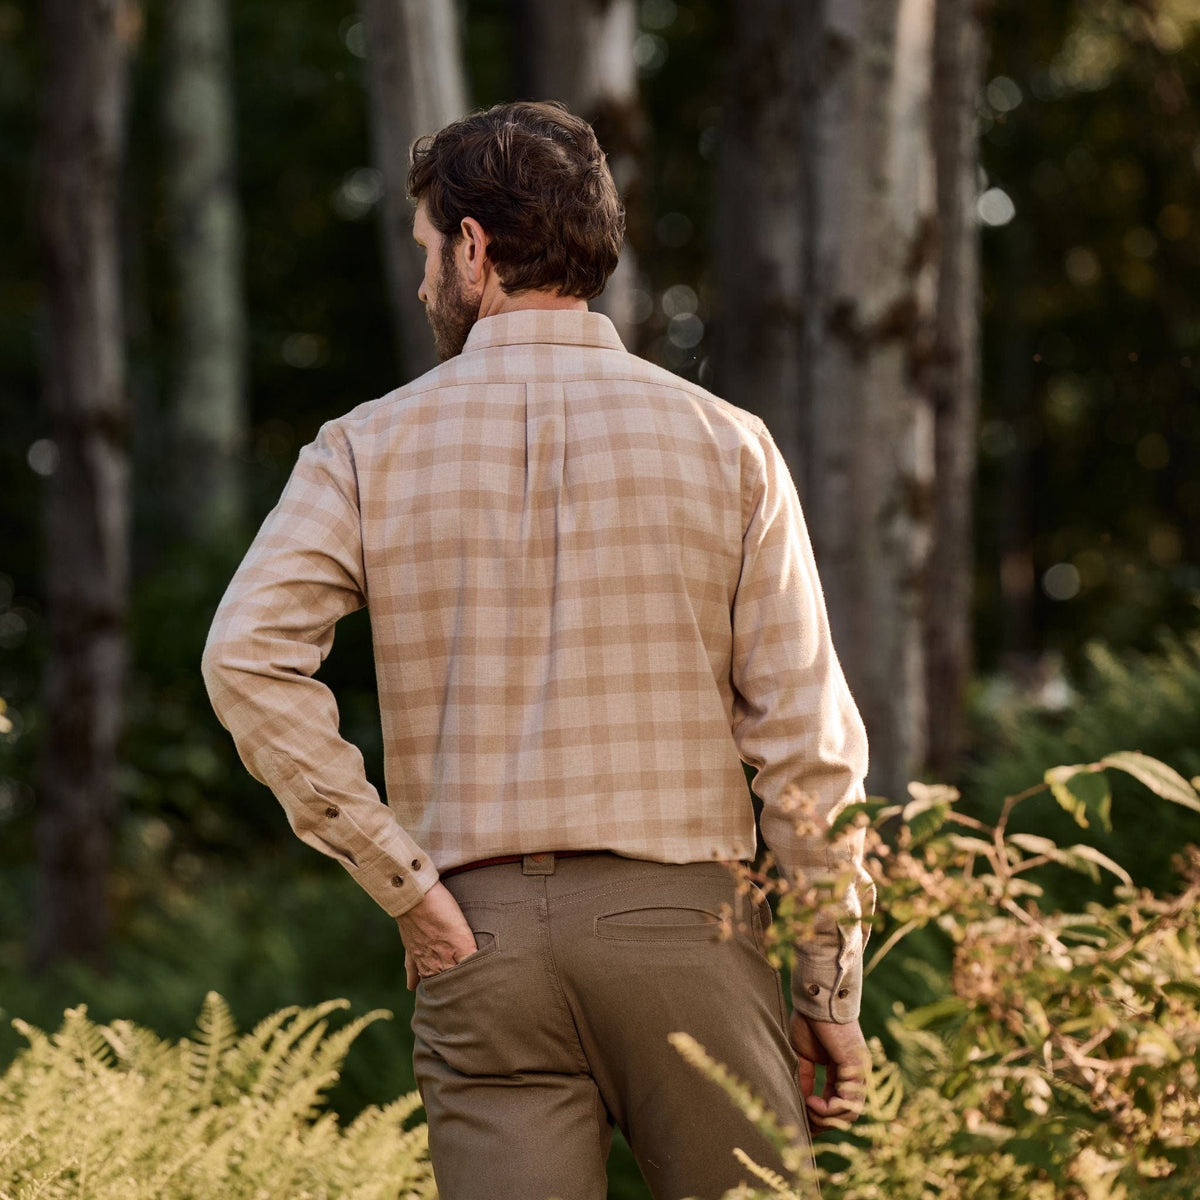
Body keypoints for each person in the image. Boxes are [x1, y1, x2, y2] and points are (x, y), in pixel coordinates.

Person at [201, 99, 873, 1200]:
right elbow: (809, 749)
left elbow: (246, 660)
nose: (426, 279)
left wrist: (403, 884)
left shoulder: (364, 448)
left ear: (474, 247)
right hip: (690, 928)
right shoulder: (728, 444)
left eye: (427, 248)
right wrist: (827, 990)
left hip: (477, 938)